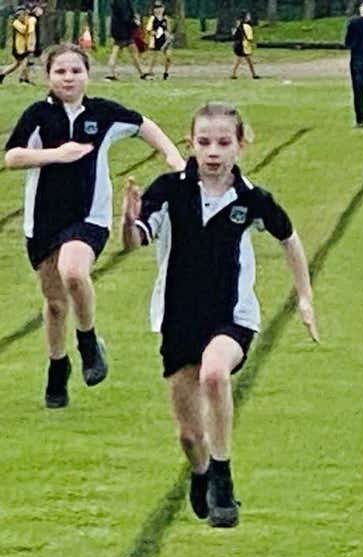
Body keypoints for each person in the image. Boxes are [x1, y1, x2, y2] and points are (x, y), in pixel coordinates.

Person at [120, 102, 319, 528]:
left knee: (214, 374)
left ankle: (223, 476)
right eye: (204, 142)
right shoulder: (170, 190)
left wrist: (304, 296)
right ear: (189, 144)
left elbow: (290, 239)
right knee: (190, 437)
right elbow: (136, 240)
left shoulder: (251, 198)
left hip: (233, 317)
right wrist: (128, 221)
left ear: (241, 146)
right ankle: (201, 471)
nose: (213, 152)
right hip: (177, 319)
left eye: (224, 142)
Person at [3, 43, 184, 409]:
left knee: (73, 272)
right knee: (54, 304)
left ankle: (87, 341)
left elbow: (143, 125)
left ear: (88, 74)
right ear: (48, 76)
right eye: (60, 72)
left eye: (75, 71)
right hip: (43, 223)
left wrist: (173, 155)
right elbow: (12, 157)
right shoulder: (38, 114)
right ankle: (58, 367)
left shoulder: (102, 114)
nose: (68, 78)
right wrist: (57, 154)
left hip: (89, 218)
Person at [106, 0, 147, 80]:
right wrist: (134, 23)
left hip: (120, 29)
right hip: (124, 30)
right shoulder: (122, 2)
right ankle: (110, 73)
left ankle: (142, 72)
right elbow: (125, 16)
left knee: (131, 50)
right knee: (117, 51)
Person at [0, 6, 31, 85]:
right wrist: (27, 21)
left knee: (16, 64)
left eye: (24, 14)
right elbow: (23, 30)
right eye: (21, 15)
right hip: (18, 47)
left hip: (23, 47)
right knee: (24, 62)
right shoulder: (16, 22)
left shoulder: (23, 22)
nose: (23, 16)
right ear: (17, 15)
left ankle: (2, 74)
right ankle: (23, 80)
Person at [144, 1, 172, 80]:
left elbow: (168, 30)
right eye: (156, 8)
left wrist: (168, 35)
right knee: (153, 57)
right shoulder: (152, 19)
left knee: (168, 57)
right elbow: (148, 30)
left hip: (164, 41)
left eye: (160, 8)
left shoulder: (166, 19)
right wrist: (152, 33)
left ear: (163, 9)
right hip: (155, 40)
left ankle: (166, 72)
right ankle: (149, 71)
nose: (158, 10)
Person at [230, 11, 258, 79]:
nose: (249, 17)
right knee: (241, 60)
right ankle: (234, 74)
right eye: (248, 16)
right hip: (243, 46)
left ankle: (253, 74)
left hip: (237, 45)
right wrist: (252, 44)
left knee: (244, 60)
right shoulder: (247, 26)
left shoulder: (238, 26)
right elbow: (250, 38)